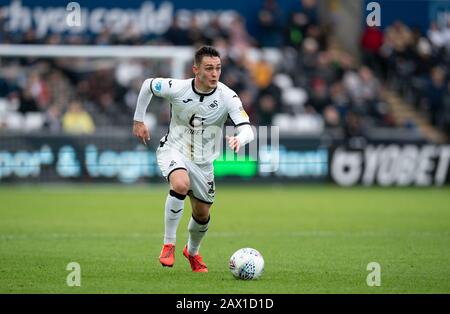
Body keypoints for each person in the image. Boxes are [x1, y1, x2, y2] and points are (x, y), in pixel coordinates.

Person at [132, 46, 254, 272]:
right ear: (196, 70)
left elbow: (248, 129)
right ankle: (168, 243)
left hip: (203, 162)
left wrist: (241, 139)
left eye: (218, 68)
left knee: (202, 213)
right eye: (209, 68)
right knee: (180, 183)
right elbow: (148, 84)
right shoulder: (177, 88)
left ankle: (192, 252)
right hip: (174, 149)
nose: (215, 73)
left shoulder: (228, 96)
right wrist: (138, 120)